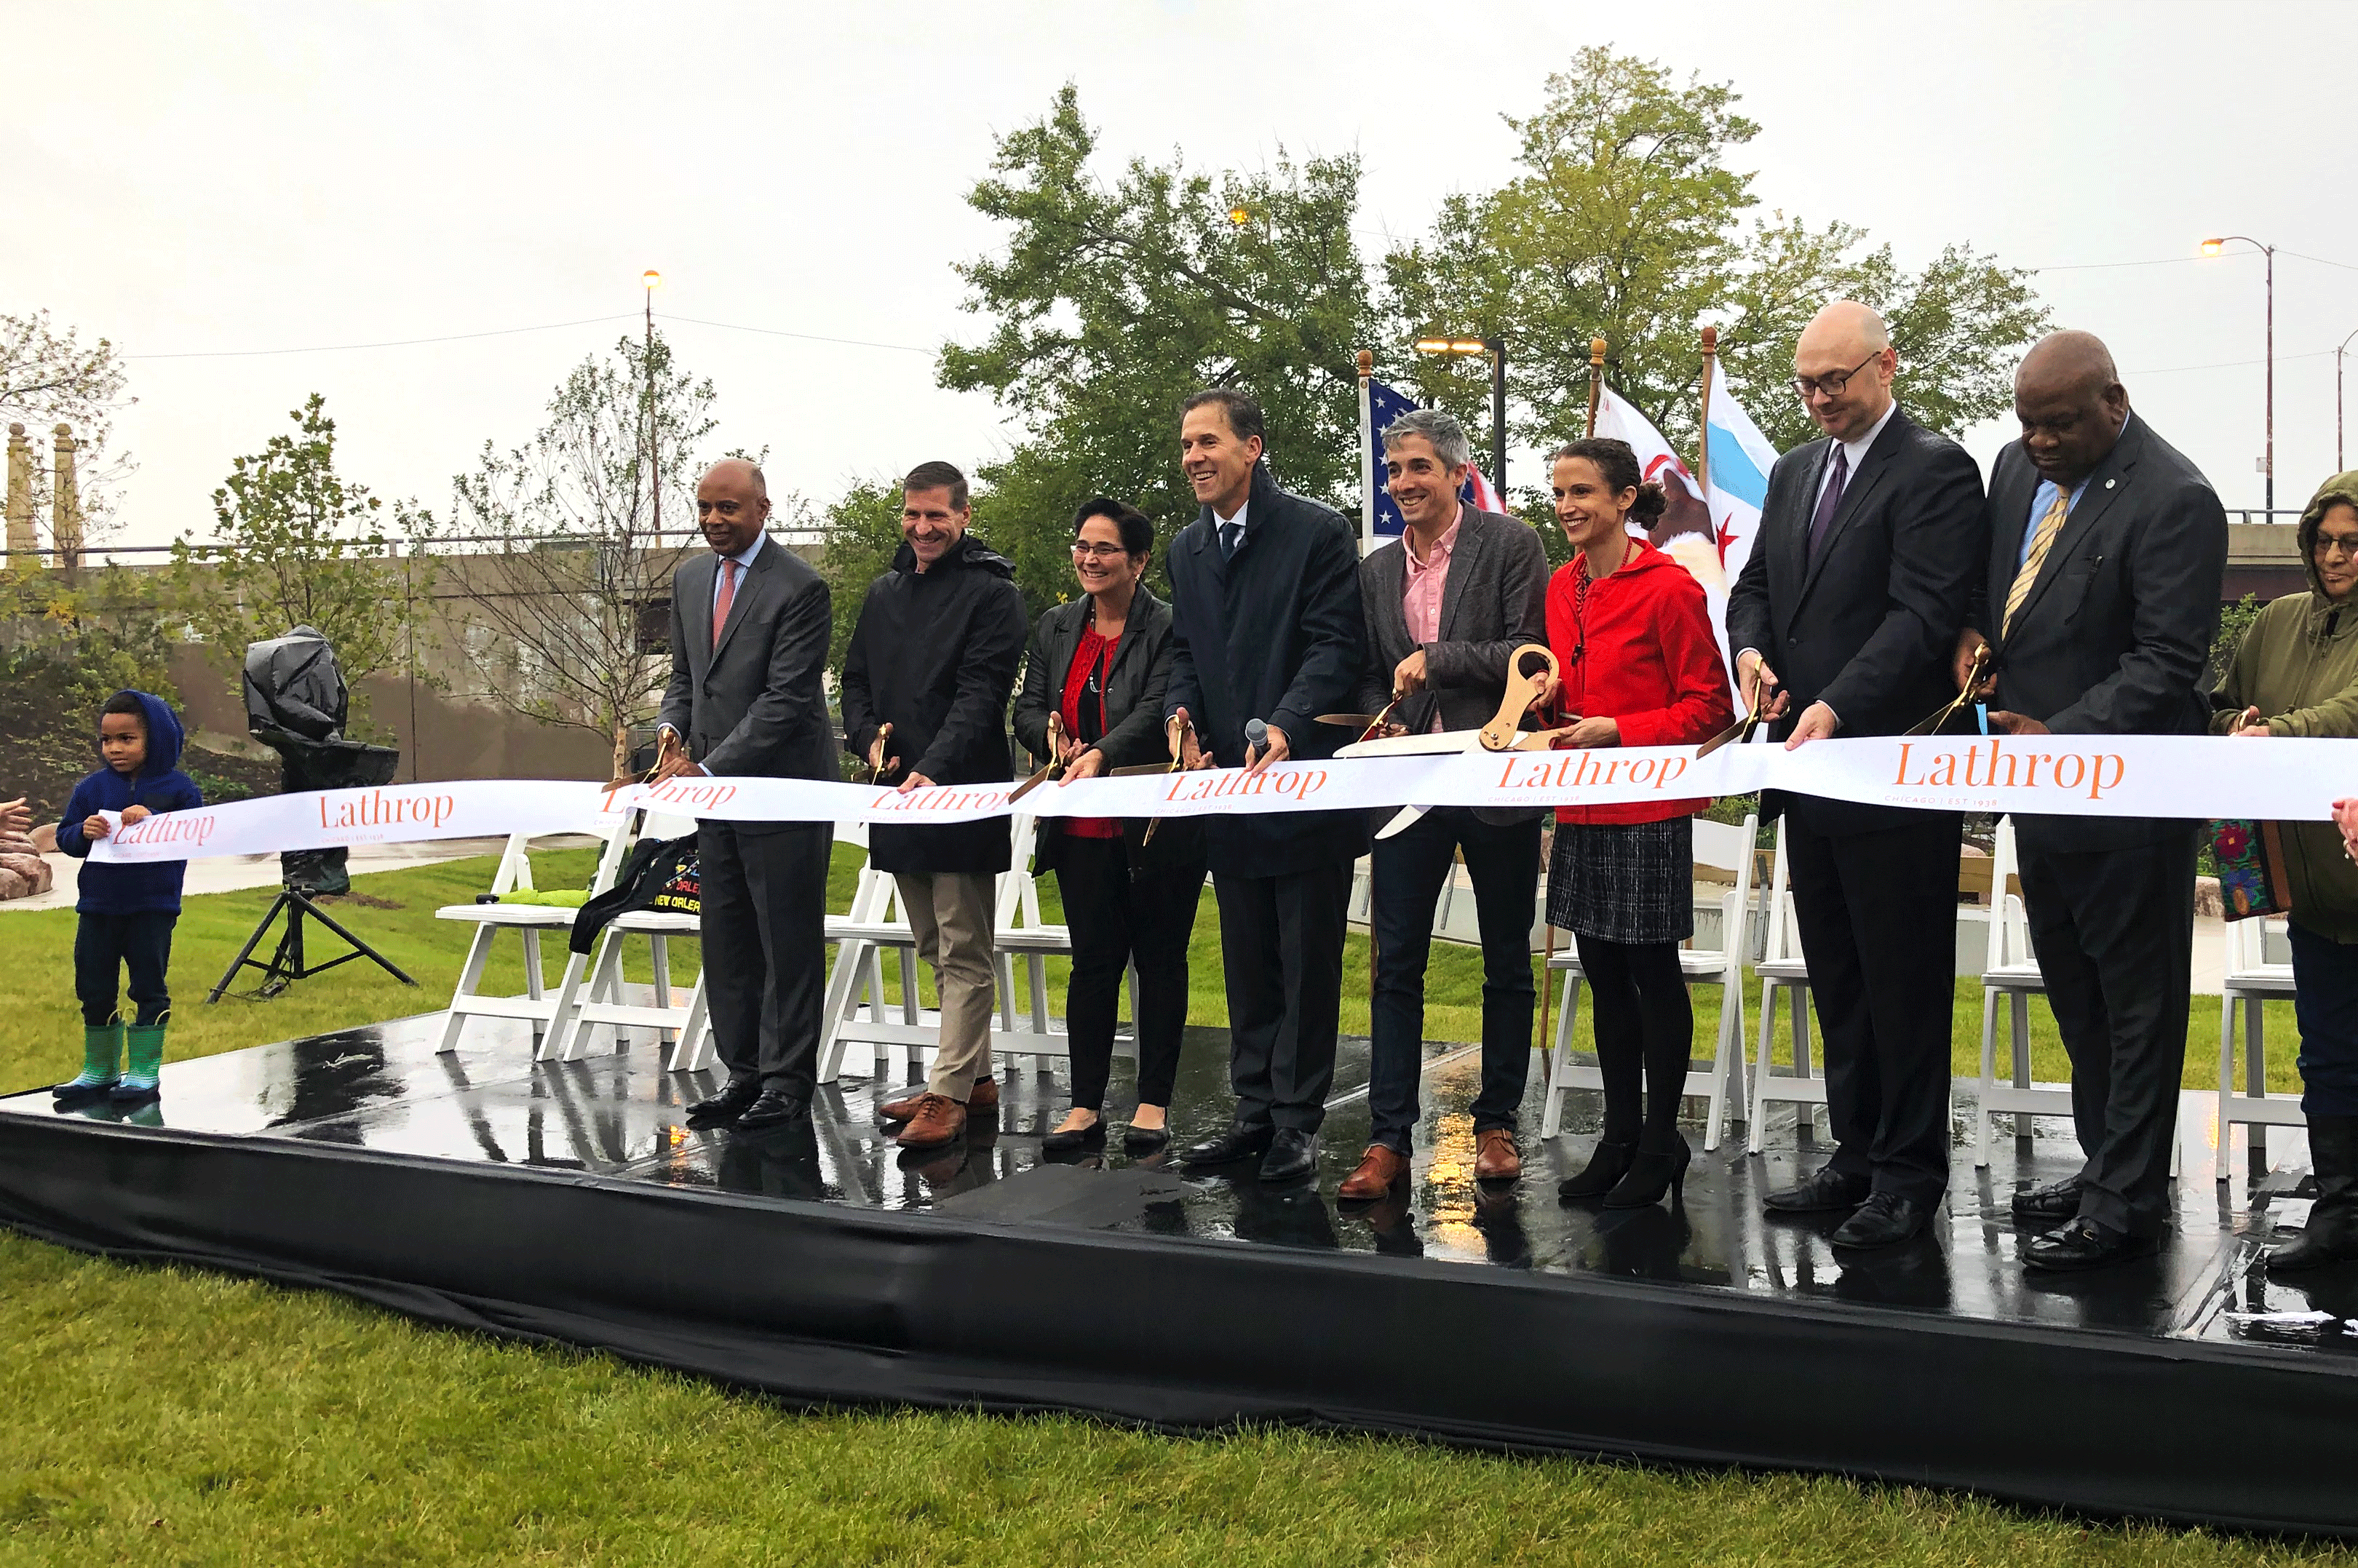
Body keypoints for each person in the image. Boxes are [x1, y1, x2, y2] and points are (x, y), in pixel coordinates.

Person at [1954, 330, 2226, 1271]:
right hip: (2038, 796)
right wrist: (1973, 640)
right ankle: (2111, 1162)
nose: (2040, 441)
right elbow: (2004, 601)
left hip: (2125, 802)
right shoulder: (2012, 468)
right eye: (2028, 422)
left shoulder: (2176, 499)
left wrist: (2058, 732)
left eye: (2060, 423)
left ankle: (2126, 1206)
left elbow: (2168, 664)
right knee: (2077, 996)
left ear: (2114, 401)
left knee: (2138, 1003)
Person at [1726, 299, 1986, 1250]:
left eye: (1835, 379)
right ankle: (1858, 1151)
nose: (1820, 397)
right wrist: (1751, 655)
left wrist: (1837, 699)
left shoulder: (1936, 469)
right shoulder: (1794, 473)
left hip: (1891, 767)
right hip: (1806, 768)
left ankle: (1911, 1170)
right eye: (1807, 382)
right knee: (1838, 971)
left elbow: (1923, 612)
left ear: (1887, 367)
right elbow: (1754, 588)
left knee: (1902, 976)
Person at [1338, 407, 1549, 1202]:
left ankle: (1495, 1124)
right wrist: (1377, 721)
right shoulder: (1376, 569)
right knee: (1397, 964)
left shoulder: (1511, 544)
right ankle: (1388, 1137)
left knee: (1504, 960)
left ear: (1460, 474)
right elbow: (1367, 671)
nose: (1402, 485)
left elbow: (1529, 651)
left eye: (1418, 468)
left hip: (1495, 778)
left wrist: (1437, 659)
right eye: (1394, 472)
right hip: (1410, 788)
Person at [1163, 388, 1369, 1184]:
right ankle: (1251, 1114)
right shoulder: (1186, 549)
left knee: (1304, 963)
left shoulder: (1317, 531)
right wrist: (1183, 721)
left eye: (1208, 442)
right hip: (1230, 796)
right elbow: (1186, 651)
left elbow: (1334, 646)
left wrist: (1286, 721)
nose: (1194, 458)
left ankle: (1297, 1122)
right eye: (1186, 445)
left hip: (1305, 792)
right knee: (1247, 964)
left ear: (1253, 448)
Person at [1539, 439, 1736, 1209]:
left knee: (1652, 975)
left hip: (1650, 806)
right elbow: (1561, 695)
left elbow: (1709, 709)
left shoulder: (1669, 589)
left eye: (1581, 491)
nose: (1565, 507)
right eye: (1558, 493)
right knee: (1603, 977)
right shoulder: (1562, 588)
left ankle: (1662, 1139)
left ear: (1625, 499)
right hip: (1581, 803)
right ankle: (1617, 1136)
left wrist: (1620, 728)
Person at [840, 461, 1028, 1151]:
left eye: (937, 516)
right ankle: (972, 1081)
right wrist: (867, 740)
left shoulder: (993, 594)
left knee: (964, 945)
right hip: (897, 796)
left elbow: (983, 695)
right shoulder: (884, 591)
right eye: (913, 515)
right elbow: (854, 679)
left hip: (960, 794)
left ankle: (947, 1094)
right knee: (931, 945)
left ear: (964, 516)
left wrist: (932, 770)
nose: (923, 528)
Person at [1011, 497, 1206, 1155]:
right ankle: (1085, 1104)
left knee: (1160, 960)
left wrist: (1102, 751)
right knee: (1093, 964)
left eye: (1105, 549)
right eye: (1082, 546)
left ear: (1140, 560)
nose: (1089, 559)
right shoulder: (1057, 626)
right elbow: (1029, 702)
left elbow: (1158, 706)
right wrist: (1047, 732)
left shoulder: (1171, 627)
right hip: (1078, 825)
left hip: (1152, 823)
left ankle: (1152, 1102)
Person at [653, 459, 836, 1133]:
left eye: (727, 508)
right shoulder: (691, 577)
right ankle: (745, 1073)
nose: (713, 520)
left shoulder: (801, 587)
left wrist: (711, 770)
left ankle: (787, 1083)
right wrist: (672, 732)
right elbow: (685, 677)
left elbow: (786, 700)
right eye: (703, 507)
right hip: (715, 796)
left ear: (763, 508)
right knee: (726, 935)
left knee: (785, 941)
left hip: (783, 793)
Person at [2212, 471, 2358, 1271]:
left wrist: (2286, 732)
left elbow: (2349, 713)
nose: (2335, 555)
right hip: (2312, 892)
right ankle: (2341, 1211)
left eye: (2352, 541)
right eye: (2324, 540)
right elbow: (2219, 704)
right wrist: (2240, 721)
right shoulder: (2274, 624)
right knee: (2327, 1055)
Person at [51, 691, 205, 1105]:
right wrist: (81, 833)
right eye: (106, 740)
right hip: (98, 907)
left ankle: (143, 1073)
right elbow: (65, 837)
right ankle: (98, 1070)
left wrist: (154, 821)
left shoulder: (179, 789)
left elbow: (193, 835)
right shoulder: (91, 788)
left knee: (148, 985)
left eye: (127, 738)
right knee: (93, 984)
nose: (114, 748)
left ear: (155, 738)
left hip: (152, 908)